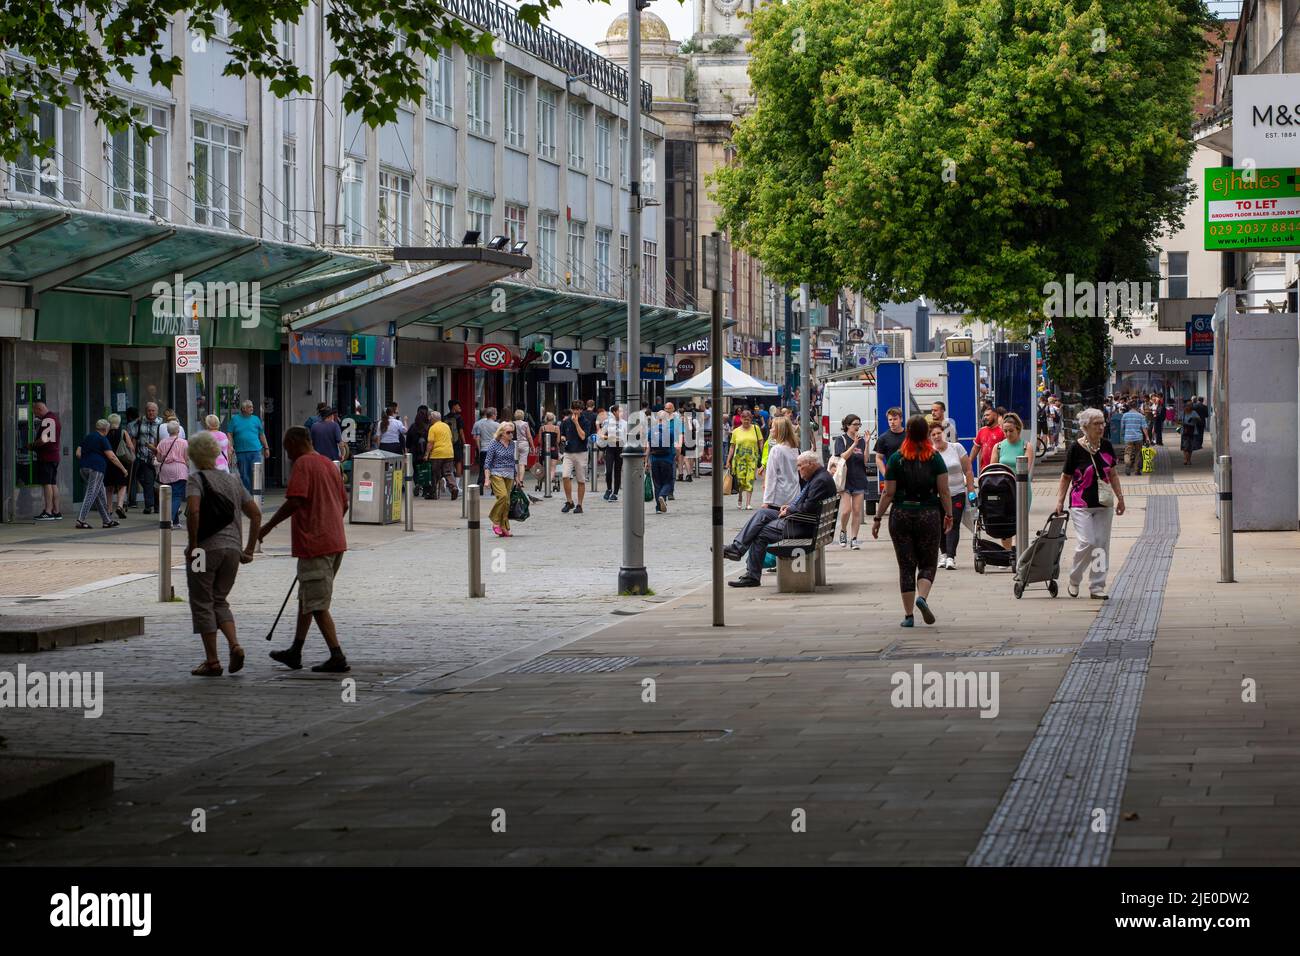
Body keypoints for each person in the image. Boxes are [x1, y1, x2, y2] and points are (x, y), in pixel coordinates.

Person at [259, 426, 351, 673]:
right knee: (307, 598)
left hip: (316, 544)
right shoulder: (328, 464)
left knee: (317, 604)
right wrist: (329, 522)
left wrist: (267, 527)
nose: (287, 454)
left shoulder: (303, 464)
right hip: (334, 542)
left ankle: (337, 655)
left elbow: (295, 500)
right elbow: (344, 503)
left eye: (287, 447)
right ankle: (295, 651)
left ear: (296, 442)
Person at [184, 432, 261, 677]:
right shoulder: (234, 480)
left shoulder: (196, 479)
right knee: (220, 600)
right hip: (232, 550)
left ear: (194, 456)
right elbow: (256, 514)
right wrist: (248, 548)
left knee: (202, 601)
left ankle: (212, 661)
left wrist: (193, 544)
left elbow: (194, 512)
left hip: (204, 550)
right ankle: (235, 644)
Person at [872, 415, 953, 627]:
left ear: (907, 432)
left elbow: (888, 493)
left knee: (906, 565)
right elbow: (944, 491)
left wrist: (878, 518)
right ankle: (922, 597)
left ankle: (908, 616)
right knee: (928, 562)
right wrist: (949, 515)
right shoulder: (935, 458)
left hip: (901, 516)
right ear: (926, 434)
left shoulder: (896, 459)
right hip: (928, 515)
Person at [723, 450, 837, 587]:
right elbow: (809, 504)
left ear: (811, 464)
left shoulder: (820, 481)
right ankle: (737, 548)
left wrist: (790, 510)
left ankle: (752, 575)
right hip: (807, 521)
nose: (798, 469)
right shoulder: (819, 476)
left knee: (760, 532)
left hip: (803, 525)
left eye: (801, 466)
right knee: (763, 513)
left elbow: (809, 507)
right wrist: (789, 507)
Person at [1054, 408, 1124, 600]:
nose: (1101, 427)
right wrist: (1059, 501)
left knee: (1101, 546)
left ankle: (1097, 586)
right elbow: (1066, 476)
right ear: (1085, 426)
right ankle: (1075, 579)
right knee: (1087, 541)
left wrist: (1120, 498)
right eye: (1096, 424)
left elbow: (1113, 474)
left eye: (1102, 423)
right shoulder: (1075, 448)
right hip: (1080, 502)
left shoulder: (1107, 446)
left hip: (1104, 503)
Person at [931, 422, 975, 570]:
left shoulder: (956, 448)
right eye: (933, 434)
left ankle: (951, 557)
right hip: (937, 495)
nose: (937, 436)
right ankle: (943, 555)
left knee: (953, 523)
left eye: (939, 433)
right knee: (938, 525)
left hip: (957, 492)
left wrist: (970, 490)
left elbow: (968, 470)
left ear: (944, 433)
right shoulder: (930, 452)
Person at [73, 419, 127, 529]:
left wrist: (86, 460)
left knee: (100, 493)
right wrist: (123, 469)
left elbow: (78, 453)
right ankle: (80, 519)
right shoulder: (103, 439)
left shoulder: (88, 437)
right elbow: (112, 457)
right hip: (96, 469)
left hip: (83, 468)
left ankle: (107, 521)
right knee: (91, 493)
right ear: (106, 429)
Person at [991, 412, 1031, 549]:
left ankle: (1018, 550)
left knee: (1020, 521)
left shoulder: (1026, 446)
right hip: (1003, 490)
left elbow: (1028, 472)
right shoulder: (998, 447)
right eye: (1005, 431)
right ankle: (1007, 552)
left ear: (1018, 429)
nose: (1008, 434)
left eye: (1011, 431)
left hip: (1021, 489)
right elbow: (993, 470)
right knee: (1004, 522)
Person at [832, 414, 870, 549]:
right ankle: (843, 531)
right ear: (847, 425)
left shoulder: (861, 440)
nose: (857, 427)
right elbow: (843, 456)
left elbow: (865, 460)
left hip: (859, 478)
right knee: (846, 510)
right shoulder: (840, 439)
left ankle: (854, 539)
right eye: (855, 424)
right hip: (845, 480)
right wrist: (853, 443)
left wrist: (867, 442)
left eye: (859, 424)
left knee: (857, 511)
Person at [482, 421, 519, 537]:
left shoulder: (512, 444)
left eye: (512, 432)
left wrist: (516, 477)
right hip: (496, 473)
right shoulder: (494, 443)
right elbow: (487, 462)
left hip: (509, 475)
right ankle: (495, 521)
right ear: (501, 433)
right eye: (508, 432)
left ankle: (505, 527)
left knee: (507, 502)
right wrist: (487, 479)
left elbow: (513, 461)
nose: (511, 435)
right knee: (502, 496)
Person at [127, 402, 163, 513]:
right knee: (148, 481)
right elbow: (132, 435)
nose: (151, 412)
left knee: (157, 484)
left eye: (153, 410)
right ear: (145, 411)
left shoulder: (162, 423)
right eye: (149, 410)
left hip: (157, 458)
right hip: (143, 457)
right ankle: (149, 505)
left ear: (157, 411)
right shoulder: (139, 422)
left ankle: (157, 505)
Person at [31, 399, 63, 520]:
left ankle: (48, 511)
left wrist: (32, 445)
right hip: (54, 456)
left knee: (46, 483)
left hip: (47, 456)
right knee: (53, 483)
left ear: (39, 409)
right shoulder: (54, 418)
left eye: (35, 412)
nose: (35, 415)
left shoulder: (48, 420)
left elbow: (45, 439)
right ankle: (56, 511)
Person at [154, 420, 190, 529]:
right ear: (178, 430)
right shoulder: (184, 443)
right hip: (179, 470)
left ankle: (175, 522)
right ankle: (169, 519)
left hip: (166, 471)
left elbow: (159, 459)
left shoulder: (162, 442)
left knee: (169, 496)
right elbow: (186, 458)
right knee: (177, 496)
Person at [760, 416, 800, 512]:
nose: (770, 430)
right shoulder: (795, 449)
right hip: (794, 494)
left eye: (772, 427)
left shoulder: (776, 449)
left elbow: (771, 476)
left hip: (778, 498)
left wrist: (766, 501)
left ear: (779, 430)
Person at [229, 400, 269, 494]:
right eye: (249, 407)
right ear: (243, 408)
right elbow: (229, 433)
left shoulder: (256, 419)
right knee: (244, 475)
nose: (252, 408)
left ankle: (258, 495)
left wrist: (266, 447)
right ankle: (247, 495)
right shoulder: (235, 419)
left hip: (255, 451)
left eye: (252, 406)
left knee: (256, 474)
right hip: (241, 451)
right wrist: (230, 446)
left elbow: (261, 434)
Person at [726, 407, 763, 510]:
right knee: (741, 480)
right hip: (739, 460)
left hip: (752, 459)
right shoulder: (736, 432)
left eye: (748, 419)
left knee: (750, 479)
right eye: (744, 419)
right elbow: (732, 446)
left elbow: (760, 441)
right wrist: (728, 460)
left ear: (751, 419)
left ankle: (748, 503)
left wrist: (763, 454)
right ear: (741, 419)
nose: (746, 421)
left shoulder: (756, 428)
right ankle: (740, 498)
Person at [646, 410, 678, 514]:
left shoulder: (651, 430)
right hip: (667, 459)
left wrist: (646, 461)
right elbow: (674, 446)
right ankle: (662, 495)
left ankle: (658, 507)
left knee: (657, 483)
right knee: (668, 482)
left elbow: (648, 447)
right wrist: (676, 456)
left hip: (655, 459)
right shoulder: (670, 430)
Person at [559, 402, 588, 513]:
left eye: (578, 409)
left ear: (581, 410)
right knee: (565, 476)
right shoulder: (565, 422)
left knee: (581, 480)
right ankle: (569, 501)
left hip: (581, 452)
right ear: (571, 409)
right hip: (568, 452)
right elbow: (563, 434)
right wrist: (563, 438)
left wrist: (576, 423)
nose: (576, 411)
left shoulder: (585, 422)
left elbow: (583, 436)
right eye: (574, 409)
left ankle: (579, 505)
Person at [104, 413, 133, 519]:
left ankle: (109, 508)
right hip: (121, 463)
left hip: (108, 462)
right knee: (122, 485)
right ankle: (120, 506)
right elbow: (130, 446)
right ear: (119, 422)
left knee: (109, 487)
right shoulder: (123, 432)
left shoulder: (105, 433)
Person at [424, 410, 457, 499]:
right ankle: (453, 487)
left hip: (437, 454)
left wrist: (426, 454)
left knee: (435, 474)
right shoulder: (446, 426)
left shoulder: (433, 428)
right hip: (449, 453)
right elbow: (450, 438)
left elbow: (430, 443)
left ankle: (433, 494)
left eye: (430, 418)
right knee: (448, 472)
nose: (429, 419)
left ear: (433, 419)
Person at [600, 404, 626, 501]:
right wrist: (608, 437)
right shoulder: (608, 422)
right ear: (614, 412)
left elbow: (627, 437)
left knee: (618, 471)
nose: (621, 413)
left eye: (622, 412)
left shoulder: (624, 423)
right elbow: (602, 435)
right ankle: (609, 489)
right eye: (620, 411)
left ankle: (615, 493)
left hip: (620, 448)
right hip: (610, 448)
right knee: (609, 470)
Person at [873, 407, 906, 477]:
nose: (892, 422)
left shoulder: (910, 435)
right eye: (890, 420)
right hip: (893, 476)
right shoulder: (883, 438)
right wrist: (886, 475)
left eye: (895, 419)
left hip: (910, 476)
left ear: (901, 419)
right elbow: (878, 458)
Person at [1119, 401, 1150, 476]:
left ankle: (1127, 463)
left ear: (1129, 407)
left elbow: (1122, 427)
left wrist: (1123, 434)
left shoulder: (1125, 415)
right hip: (1138, 438)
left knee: (1127, 453)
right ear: (1137, 407)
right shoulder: (1140, 416)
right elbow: (1144, 427)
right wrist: (1147, 437)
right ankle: (1137, 471)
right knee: (1138, 454)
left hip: (1128, 437)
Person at [472, 406, 499, 492]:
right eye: (496, 414)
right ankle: (494, 489)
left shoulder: (480, 424)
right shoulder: (497, 425)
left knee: (483, 469)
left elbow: (477, 438)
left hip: (484, 449)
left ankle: (480, 483)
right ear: (493, 415)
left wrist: (479, 449)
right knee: (494, 470)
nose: (496, 416)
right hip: (494, 450)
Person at [970, 406, 1004, 474]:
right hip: (984, 470)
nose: (985, 417)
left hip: (999, 470)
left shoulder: (1003, 432)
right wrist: (968, 462)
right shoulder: (981, 431)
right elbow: (975, 449)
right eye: (984, 415)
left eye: (988, 415)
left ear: (995, 416)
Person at [445, 400, 467, 483]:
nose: (460, 407)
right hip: (457, 442)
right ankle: (457, 484)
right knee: (458, 462)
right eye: (458, 405)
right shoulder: (458, 417)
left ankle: (447, 480)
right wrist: (464, 443)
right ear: (453, 406)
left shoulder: (445, 417)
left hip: (447, 443)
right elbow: (461, 432)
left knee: (449, 462)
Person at [1179, 400, 1202, 465]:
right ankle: (1186, 459)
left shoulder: (1194, 412)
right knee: (1185, 446)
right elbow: (1178, 421)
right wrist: (1183, 423)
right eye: (1189, 405)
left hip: (1192, 431)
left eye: (1191, 405)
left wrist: (1195, 418)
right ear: (1186, 406)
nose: (1190, 407)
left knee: (1190, 447)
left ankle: (1189, 459)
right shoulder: (1182, 413)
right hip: (1184, 431)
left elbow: (1199, 420)